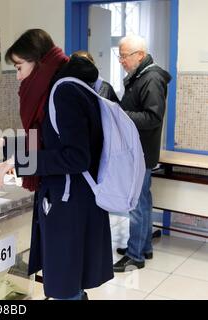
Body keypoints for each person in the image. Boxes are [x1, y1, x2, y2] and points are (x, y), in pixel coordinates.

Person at [0, 29, 113, 300]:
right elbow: (49, 140)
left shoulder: (62, 92)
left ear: (38, 61)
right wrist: (6, 145)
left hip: (70, 204)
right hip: (68, 199)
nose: (18, 76)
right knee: (69, 280)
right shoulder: (61, 85)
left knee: (65, 284)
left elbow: (76, 156)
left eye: (19, 67)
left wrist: (20, 163)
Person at [113, 35, 171, 272]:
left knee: (137, 203)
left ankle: (135, 256)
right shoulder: (141, 75)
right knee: (142, 201)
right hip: (138, 150)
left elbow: (153, 117)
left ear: (139, 55)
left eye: (124, 56)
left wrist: (120, 115)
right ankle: (142, 246)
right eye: (120, 56)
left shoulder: (152, 78)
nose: (121, 61)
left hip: (141, 152)